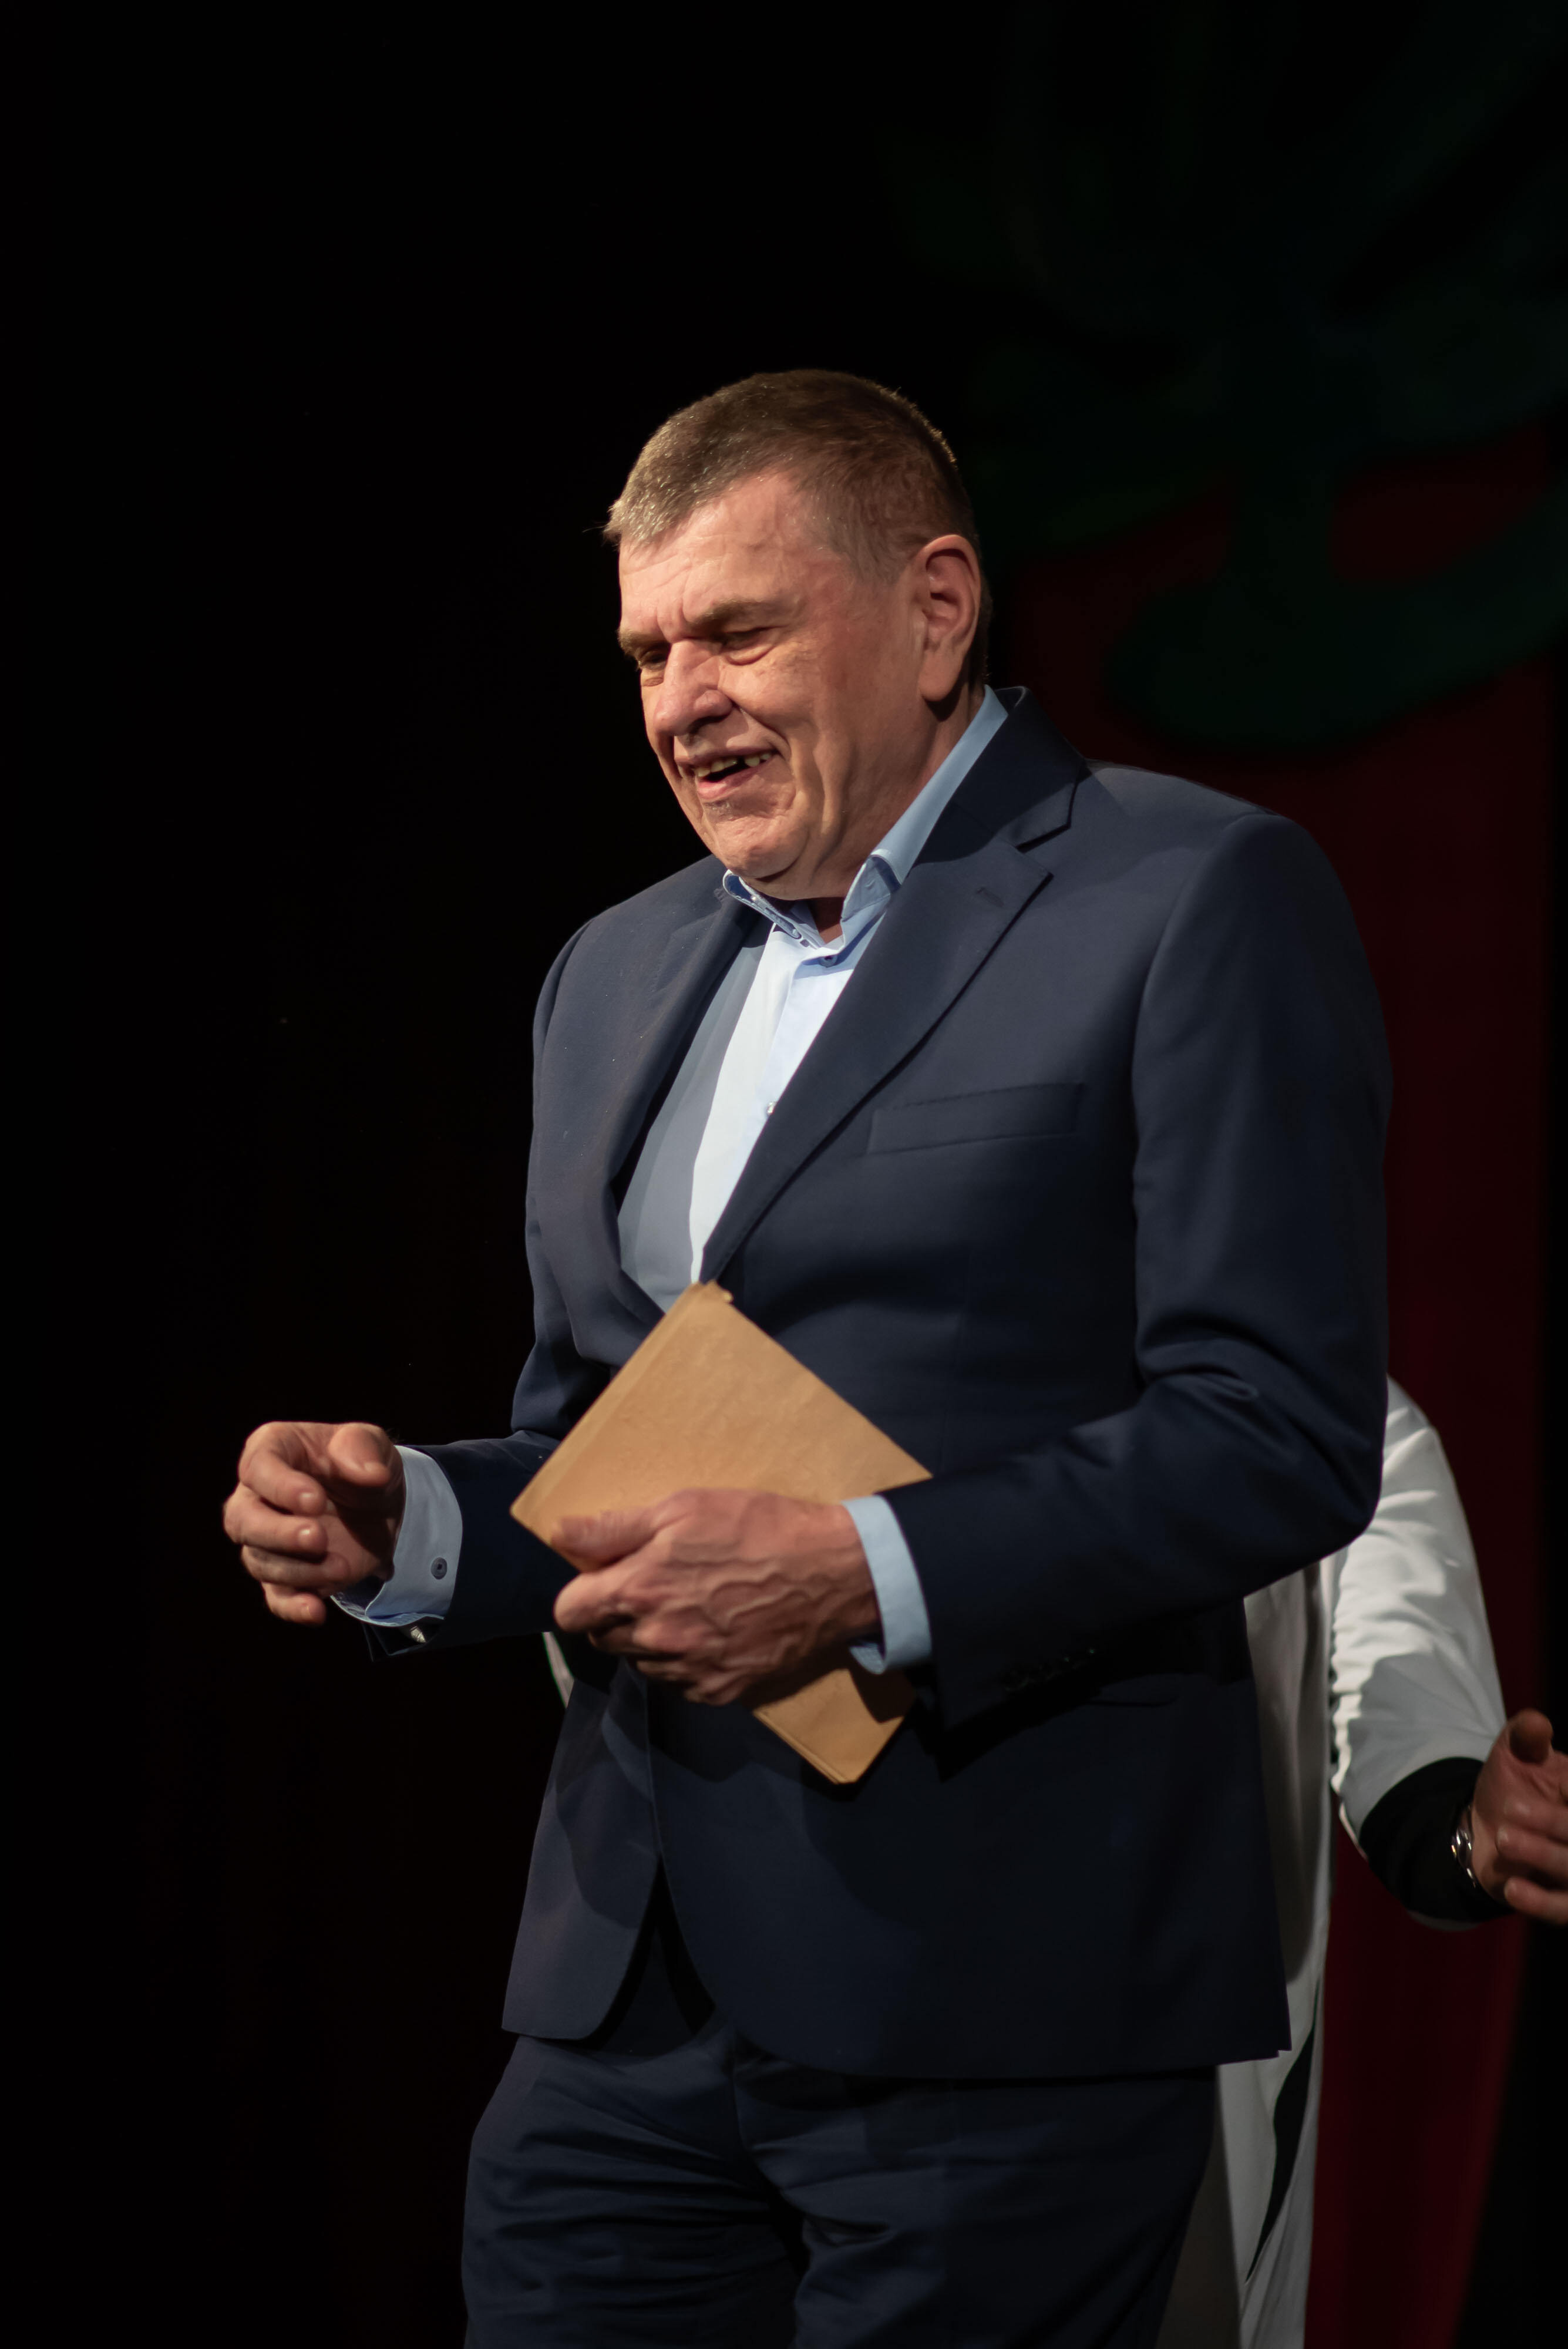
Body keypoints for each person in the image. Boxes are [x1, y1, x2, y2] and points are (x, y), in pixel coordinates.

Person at [223, 371, 1392, 2347]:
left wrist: (864, 1573)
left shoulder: (1189, 895)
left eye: (740, 632)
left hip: (1000, 1992)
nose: (683, 701)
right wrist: (406, 1523)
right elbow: (597, 1445)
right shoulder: (609, 971)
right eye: (648, 653)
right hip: (624, 1994)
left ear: (935, 611)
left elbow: (1271, 1432)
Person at [1159, 1381, 1568, 2348]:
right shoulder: (894, 1351)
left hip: (1186, 2160)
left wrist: (1478, 1836)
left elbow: (1415, 1753)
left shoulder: (1338, 1411)